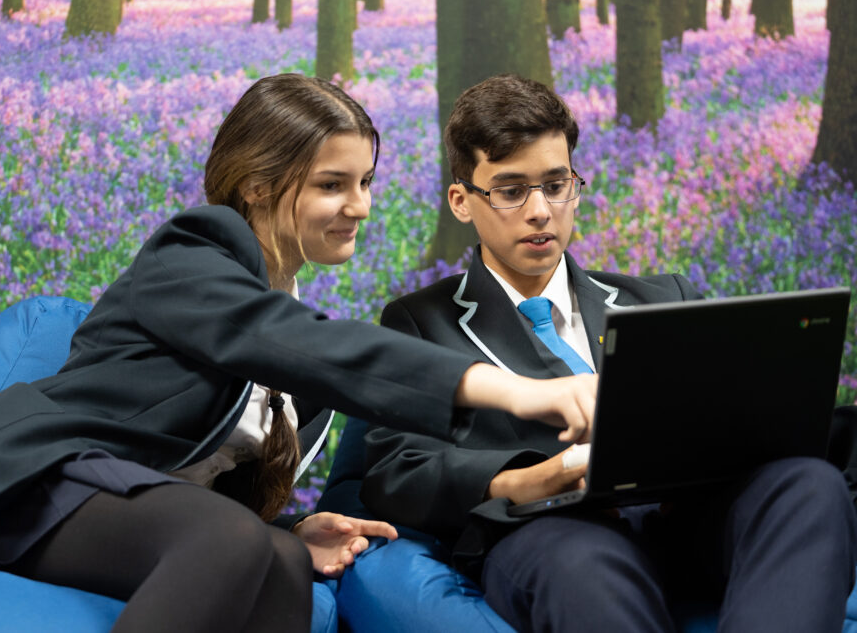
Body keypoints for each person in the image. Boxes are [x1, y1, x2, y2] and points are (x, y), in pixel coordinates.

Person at [0, 73, 597, 633]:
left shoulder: (294, 337)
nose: (360, 205)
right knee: (229, 540)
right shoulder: (193, 252)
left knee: (285, 560)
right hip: (29, 488)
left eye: (365, 182)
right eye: (331, 184)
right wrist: (512, 389)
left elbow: (193, 478)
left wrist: (286, 526)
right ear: (258, 184)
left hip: (135, 512)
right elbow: (285, 342)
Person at [359, 74, 857, 632]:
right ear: (462, 202)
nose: (540, 211)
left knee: (810, 487)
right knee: (587, 562)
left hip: (686, 521)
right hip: (554, 532)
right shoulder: (420, 322)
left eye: (555, 184)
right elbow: (396, 472)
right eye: (510, 190)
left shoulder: (664, 296)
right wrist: (526, 478)